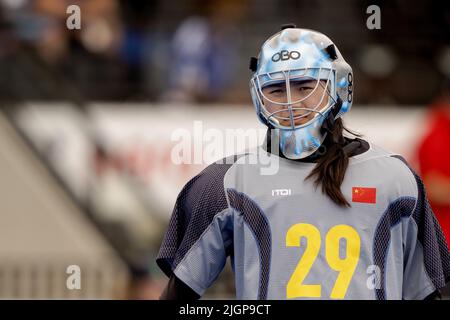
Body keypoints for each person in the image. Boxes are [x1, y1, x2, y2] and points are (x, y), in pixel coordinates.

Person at [156, 25, 450, 300]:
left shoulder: (395, 178)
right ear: (258, 97)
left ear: (339, 86)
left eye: (304, 85)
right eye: (275, 89)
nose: (291, 101)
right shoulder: (224, 184)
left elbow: (425, 292)